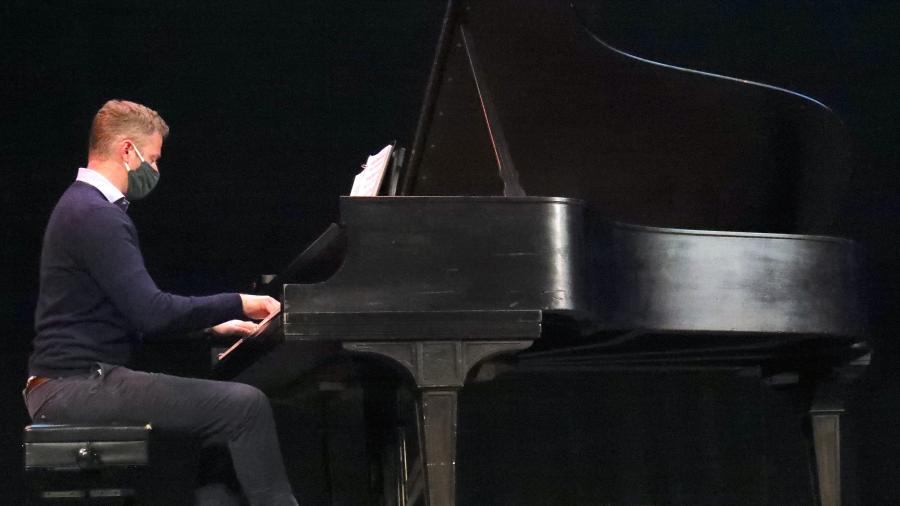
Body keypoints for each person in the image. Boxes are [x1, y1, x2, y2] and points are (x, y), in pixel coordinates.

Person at [24, 99, 299, 506]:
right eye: (152, 158)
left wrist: (212, 328)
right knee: (246, 406)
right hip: (75, 387)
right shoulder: (96, 215)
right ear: (126, 151)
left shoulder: (82, 207)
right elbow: (151, 313)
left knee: (223, 418)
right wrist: (238, 302)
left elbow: (126, 318)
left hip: (68, 385)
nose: (155, 169)